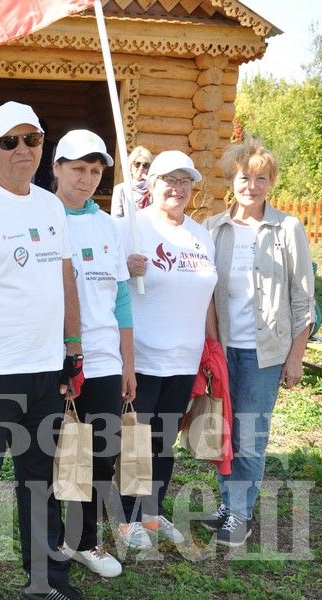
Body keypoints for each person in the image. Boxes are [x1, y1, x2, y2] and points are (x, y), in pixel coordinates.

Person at [0, 101, 84, 600]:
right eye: (10, 141)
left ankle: (46, 578)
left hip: (46, 369)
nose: (23, 150)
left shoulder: (50, 205)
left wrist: (73, 351)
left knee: (40, 479)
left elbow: (65, 278)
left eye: (33, 140)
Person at [200, 137, 315, 546]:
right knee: (224, 430)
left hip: (264, 353)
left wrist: (296, 357)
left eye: (261, 178)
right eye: (245, 176)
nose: (252, 185)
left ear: (271, 183)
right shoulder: (213, 228)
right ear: (233, 179)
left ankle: (241, 514)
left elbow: (303, 298)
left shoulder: (287, 229)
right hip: (223, 348)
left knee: (251, 434)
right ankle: (228, 505)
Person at [118, 151, 218, 549]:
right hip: (143, 355)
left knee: (164, 439)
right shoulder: (132, 228)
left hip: (184, 357)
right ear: (152, 184)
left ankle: (152, 512)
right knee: (136, 441)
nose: (176, 188)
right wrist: (125, 267)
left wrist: (211, 352)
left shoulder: (201, 234)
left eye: (184, 181)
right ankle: (127, 519)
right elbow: (103, 283)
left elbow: (207, 296)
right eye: (168, 180)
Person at [51, 129, 136, 579]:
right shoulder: (43, 215)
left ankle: (83, 541)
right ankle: (48, 543)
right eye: (78, 169)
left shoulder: (108, 225)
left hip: (104, 360)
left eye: (95, 170)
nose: (86, 179)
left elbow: (121, 298)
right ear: (57, 168)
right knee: (55, 453)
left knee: (100, 453)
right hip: (53, 357)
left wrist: (128, 362)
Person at [110, 146, 153, 218]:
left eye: (145, 165)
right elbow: (116, 218)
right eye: (137, 164)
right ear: (130, 166)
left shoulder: (153, 189)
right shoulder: (120, 189)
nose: (141, 168)